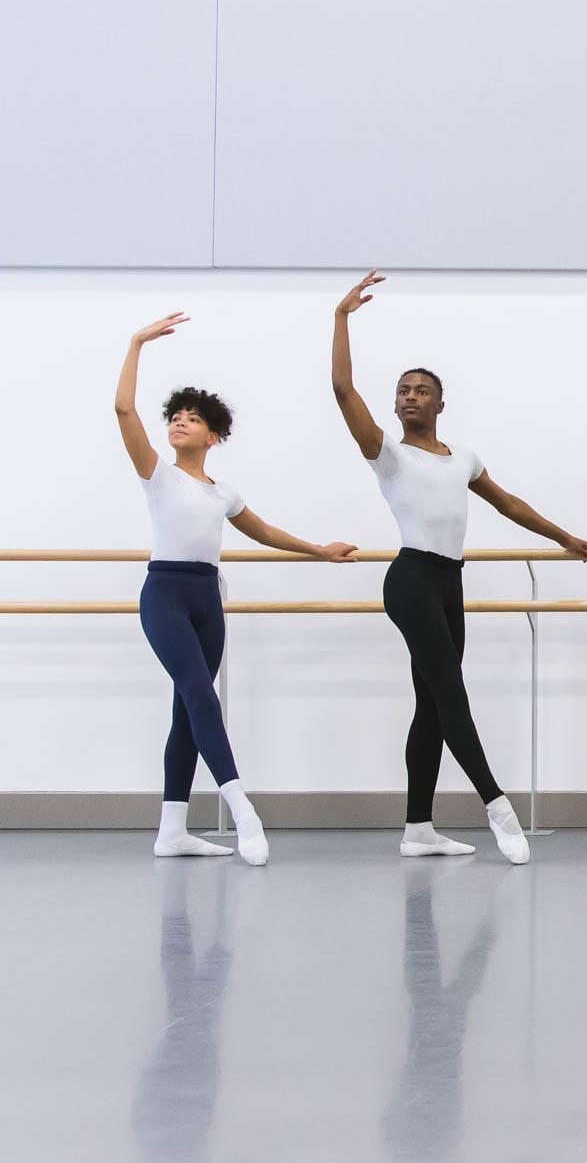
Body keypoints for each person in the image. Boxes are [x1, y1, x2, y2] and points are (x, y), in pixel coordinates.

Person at [332, 271, 587, 864]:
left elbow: (508, 503)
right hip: (410, 581)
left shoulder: (464, 456)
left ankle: (417, 829)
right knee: (451, 693)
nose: (408, 396)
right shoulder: (388, 453)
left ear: (440, 402)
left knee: (431, 704)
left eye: (420, 389)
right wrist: (341, 318)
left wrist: (563, 538)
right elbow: (343, 390)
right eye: (401, 389)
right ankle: (497, 806)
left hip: (449, 583)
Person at [117, 313, 356, 865]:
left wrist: (319, 550)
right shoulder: (158, 474)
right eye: (174, 416)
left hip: (207, 598)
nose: (179, 422)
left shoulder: (223, 492)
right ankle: (244, 811)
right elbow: (124, 410)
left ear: (214, 435)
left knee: (187, 711)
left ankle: (171, 830)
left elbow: (265, 532)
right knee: (203, 697)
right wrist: (135, 344)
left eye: (192, 418)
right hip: (166, 595)